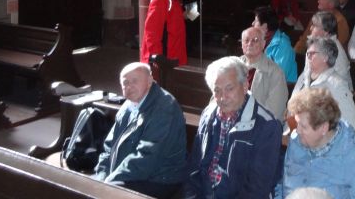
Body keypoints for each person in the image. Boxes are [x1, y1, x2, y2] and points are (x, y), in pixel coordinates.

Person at [185, 57, 282, 199]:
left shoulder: (266, 126)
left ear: (244, 86)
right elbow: (194, 167)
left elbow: (256, 189)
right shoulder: (208, 114)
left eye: (229, 89)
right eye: (217, 90)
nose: (222, 97)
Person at [93, 62, 187, 198]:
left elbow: (148, 156)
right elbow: (109, 148)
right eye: (125, 83)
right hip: (132, 173)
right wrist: (101, 176)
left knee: (111, 195)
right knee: (90, 186)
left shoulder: (164, 108)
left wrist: (111, 180)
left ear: (149, 81)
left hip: (161, 178)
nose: (129, 86)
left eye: (134, 81)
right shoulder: (128, 105)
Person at [281, 88, 355, 199]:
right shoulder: (296, 143)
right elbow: (285, 188)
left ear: (323, 128)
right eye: (297, 123)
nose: (297, 130)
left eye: (303, 126)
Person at [291, 36, 355, 136]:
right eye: (307, 53)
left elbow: (351, 123)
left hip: (321, 142)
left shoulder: (337, 85)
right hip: (296, 134)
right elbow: (291, 107)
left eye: (312, 54)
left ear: (325, 57)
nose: (308, 57)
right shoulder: (303, 77)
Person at [240, 26, 288, 122]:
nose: (250, 43)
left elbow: (274, 111)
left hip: (259, 125)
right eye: (246, 40)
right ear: (242, 44)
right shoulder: (232, 66)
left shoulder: (275, 72)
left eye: (255, 40)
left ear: (263, 44)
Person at [141, 0, 187, 65]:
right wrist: (156, 55)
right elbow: (152, 28)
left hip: (172, 49)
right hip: (166, 52)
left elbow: (170, 19)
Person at [303, 10, 352, 89]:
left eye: (315, 25)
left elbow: (339, 83)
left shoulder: (336, 51)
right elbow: (306, 73)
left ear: (326, 31)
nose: (311, 28)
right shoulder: (313, 45)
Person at [254, 6, 298, 83]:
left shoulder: (283, 46)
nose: (252, 23)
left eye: (256, 21)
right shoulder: (261, 40)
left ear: (265, 26)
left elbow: (279, 77)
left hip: (283, 90)